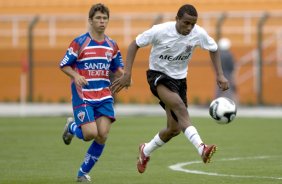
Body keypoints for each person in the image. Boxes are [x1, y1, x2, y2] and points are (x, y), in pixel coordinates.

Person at [111, 4, 229, 174]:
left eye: (192, 24)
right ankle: (202, 149)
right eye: (186, 23)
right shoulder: (159, 31)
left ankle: (145, 150)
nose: (189, 27)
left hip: (179, 80)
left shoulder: (198, 33)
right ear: (177, 19)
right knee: (181, 108)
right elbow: (134, 45)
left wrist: (220, 74)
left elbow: (214, 48)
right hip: (158, 76)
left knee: (173, 129)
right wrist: (127, 73)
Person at [59, 3, 124, 182]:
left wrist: (126, 77)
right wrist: (75, 75)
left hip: (104, 96)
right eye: (98, 18)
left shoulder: (112, 45)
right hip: (84, 95)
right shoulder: (80, 42)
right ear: (90, 20)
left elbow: (118, 68)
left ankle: (82, 174)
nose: (102, 21)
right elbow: (63, 64)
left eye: (105, 18)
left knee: (102, 134)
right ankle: (72, 127)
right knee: (89, 134)